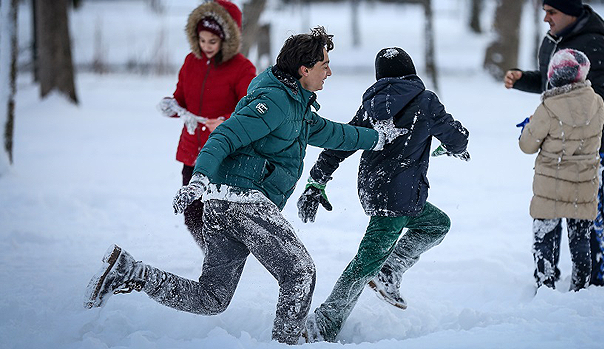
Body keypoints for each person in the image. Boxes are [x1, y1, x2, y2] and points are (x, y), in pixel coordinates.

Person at [84, 27, 406, 345]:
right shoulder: (276, 102)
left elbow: (336, 133)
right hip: (241, 201)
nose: (329, 72)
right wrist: (198, 179)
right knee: (299, 272)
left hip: (225, 206)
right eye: (324, 65)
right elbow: (223, 136)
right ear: (304, 69)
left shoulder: (298, 108)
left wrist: (380, 138)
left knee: (211, 298)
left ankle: (130, 271)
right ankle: (286, 344)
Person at [297, 47, 470, 342]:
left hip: (374, 188)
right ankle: (324, 323)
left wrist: (317, 180)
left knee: (436, 224)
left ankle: (390, 270)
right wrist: (456, 146)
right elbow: (456, 137)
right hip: (399, 196)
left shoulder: (371, 105)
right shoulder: (424, 101)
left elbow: (344, 141)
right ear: (411, 73)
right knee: (365, 263)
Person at [503, 0, 604, 286]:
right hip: (555, 145)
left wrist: (572, 116)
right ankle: (553, 279)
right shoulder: (554, 39)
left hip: (590, 146)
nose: (546, 18)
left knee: (589, 213)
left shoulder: (594, 42)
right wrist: (523, 80)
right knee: (551, 210)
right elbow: (551, 83)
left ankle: (597, 281)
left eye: (551, 12)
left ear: (569, 12)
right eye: (544, 12)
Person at [157, 0, 256, 249]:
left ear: (227, 38)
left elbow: (252, 111)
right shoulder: (191, 62)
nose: (206, 46)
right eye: (202, 40)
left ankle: (227, 257)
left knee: (222, 214)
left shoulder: (242, 68)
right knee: (191, 213)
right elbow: (181, 98)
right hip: (192, 150)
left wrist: (224, 123)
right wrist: (172, 106)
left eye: (212, 41)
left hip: (225, 153)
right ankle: (212, 254)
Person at [518, 49, 604, 291]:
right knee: (580, 239)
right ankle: (581, 286)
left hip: (551, 183)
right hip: (585, 182)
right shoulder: (597, 102)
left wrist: (528, 127)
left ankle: (546, 285)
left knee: (545, 237)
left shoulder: (548, 107)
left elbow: (527, 145)